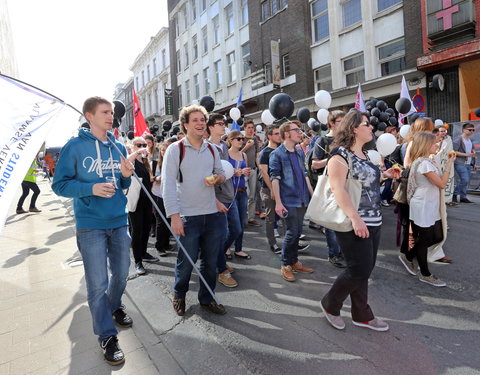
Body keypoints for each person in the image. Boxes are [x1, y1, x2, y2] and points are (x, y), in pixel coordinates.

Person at [52, 96, 137, 366]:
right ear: (89, 115)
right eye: (105, 112)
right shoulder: (74, 147)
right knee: (98, 282)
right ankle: (107, 335)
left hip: (119, 220)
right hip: (90, 225)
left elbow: (123, 184)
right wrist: (90, 188)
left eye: (112, 112)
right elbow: (60, 185)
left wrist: (126, 173)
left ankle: (113, 306)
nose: (111, 116)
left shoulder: (118, 145)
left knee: (122, 274)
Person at [320, 109, 400, 332]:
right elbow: (338, 189)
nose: (372, 127)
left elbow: (364, 184)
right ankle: (330, 304)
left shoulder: (365, 154)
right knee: (358, 269)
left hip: (373, 220)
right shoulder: (339, 155)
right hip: (353, 222)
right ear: (354, 128)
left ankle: (361, 314)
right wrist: (355, 219)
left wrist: (385, 176)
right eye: (367, 124)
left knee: (364, 269)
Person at [162, 104, 227, 316]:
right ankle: (179, 295)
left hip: (211, 215)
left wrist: (218, 178)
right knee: (186, 263)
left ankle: (207, 298)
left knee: (210, 263)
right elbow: (168, 185)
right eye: (195, 120)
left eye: (202, 120)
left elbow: (221, 173)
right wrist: (174, 216)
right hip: (188, 216)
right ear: (185, 125)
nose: (200, 123)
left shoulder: (212, 149)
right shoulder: (175, 150)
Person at [399, 132, 455, 286]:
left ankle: (408, 255)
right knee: (426, 239)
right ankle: (425, 273)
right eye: (433, 143)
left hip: (430, 204)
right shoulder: (423, 163)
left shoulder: (427, 161)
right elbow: (442, 184)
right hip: (423, 205)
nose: (437, 145)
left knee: (436, 236)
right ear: (425, 145)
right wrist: (449, 165)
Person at [270, 121, 314, 282]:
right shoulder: (277, 154)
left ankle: (294, 261)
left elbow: (305, 174)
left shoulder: (299, 152)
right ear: (286, 134)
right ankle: (285, 264)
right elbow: (275, 179)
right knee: (291, 232)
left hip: (302, 198)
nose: (300, 132)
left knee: (297, 232)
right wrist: (278, 203)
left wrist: (312, 195)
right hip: (288, 200)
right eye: (296, 130)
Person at [310, 110, 346, 268]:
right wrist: (331, 159)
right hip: (328, 185)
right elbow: (314, 164)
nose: (344, 124)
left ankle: (343, 251)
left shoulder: (346, 140)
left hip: (345, 183)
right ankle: (334, 253)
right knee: (331, 223)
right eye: (340, 121)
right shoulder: (322, 140)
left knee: (344, 219)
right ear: (332, 123)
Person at [207, 114, 239, 288]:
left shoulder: (224, 146)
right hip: (217, 197)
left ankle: (217, 257)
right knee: (220, 234)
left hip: (229, 193)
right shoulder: (207, 147)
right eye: (220, 124)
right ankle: (221, 269)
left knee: (236, 229)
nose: (223, 126)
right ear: (211, 127)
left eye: (224, 124)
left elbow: (226, 169)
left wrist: (236, 171)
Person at [129, 137, 159, 275]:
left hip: (147, 199)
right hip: (136, 200)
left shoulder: (146, 161)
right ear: (134, 146)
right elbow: (125, 162)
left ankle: (144, 253)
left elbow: (149, 180)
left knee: (147, 228)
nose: (142, 147)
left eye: (144, 145)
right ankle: (137, 261)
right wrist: (136, 152)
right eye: (138, 144)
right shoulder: (132, 160)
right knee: (137, 230)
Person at [225, 130, 252, 260]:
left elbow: (246, 172)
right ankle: (226, 247)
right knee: (233, 224)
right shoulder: (226, 155)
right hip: (231, 193)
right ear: (230, 140)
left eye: (242, 139)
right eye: (238, 139)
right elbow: (223, 174)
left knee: (241, 222)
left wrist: (246, 172)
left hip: (242, 191)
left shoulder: (243, 155)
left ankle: (239, 249)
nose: (241, 141)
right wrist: (234, 172)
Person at [259, 124, 282, 253]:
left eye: (280, 133)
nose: (279, 136)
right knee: (270, 217)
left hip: (281, 188)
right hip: (268, 189)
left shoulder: (280, 150)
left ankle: (291, 244)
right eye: (276, 134)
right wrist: (273, 189)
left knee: (285, 217)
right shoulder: (265, 152)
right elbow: (264, 173)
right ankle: (272, 243)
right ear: (269, 136)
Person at [152, 142, 172, 257]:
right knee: (161, 221)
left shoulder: (174, 162)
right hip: (158, 194)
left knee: (168, 219)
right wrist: (156, 178)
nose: (165, 152)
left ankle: (166, 243)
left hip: (170, 194)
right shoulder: (155, 163)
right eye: (163, 150)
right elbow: (149, 177)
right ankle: (159, 246)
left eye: (167, 150)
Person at [241, 120, 261, 227]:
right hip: (242, 171)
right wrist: (247, 146)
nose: (251, 129)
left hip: (253, 170)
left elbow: (257, 156)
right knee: (244, 195)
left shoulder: (255, 140)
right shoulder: (240, 139)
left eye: (252, 127)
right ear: (244, 128)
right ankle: (242, 218)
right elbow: (237, 153)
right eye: (248, 127)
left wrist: (260, 168)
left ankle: (251, 218)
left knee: (252, 196)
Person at [452, 123, 476, 203]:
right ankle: (455, 194)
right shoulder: (458, 139)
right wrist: (467, 154)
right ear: (464, 130)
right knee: (464, 179)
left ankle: (463, 197)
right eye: (470, 130)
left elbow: (472, 152)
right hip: (460, 163)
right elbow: (454, 151)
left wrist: (473, 163)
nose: (472, 131)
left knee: (466, 180)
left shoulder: (470, 140)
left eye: (473, 130)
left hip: (468, 163)